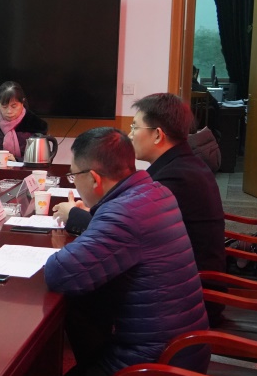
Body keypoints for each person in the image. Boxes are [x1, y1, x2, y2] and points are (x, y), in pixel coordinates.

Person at [32, 127, 209, 376]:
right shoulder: (153, 191)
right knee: (82, 323)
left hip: (160, 362)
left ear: (94, 179)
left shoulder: (124, 214)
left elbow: (60, 273)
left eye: (74, 177)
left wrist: (77, 230)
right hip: (180, 346)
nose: (75, 183)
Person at [55, 93, 226, 276]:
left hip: (191, 279)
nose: (130, 135)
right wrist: (95, 213)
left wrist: (74, 216)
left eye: (135, 127)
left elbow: (122, 235)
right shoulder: (183, 163)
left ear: (157, 135)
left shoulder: (175, 179)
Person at [0, 81, 49, 162]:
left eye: (14, 106)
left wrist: (16, 160)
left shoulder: (36, 126)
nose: (9, 111)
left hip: (26, 170)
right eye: (4, 106)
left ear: (22, 103)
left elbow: (43, 158)